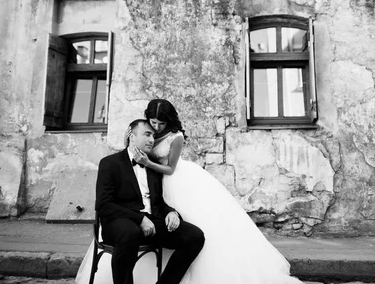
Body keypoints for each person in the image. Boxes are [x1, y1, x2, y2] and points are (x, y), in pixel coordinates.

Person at [129, 99, 304, 284]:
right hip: (152, 181)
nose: (156, 127)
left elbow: (170, 169)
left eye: (160, 123)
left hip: (173, 179)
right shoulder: (147, 131)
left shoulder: (176, 137)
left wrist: (147, 163)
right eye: (153, 122)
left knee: (189, 226)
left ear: (169, 121)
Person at [76, 119, 205, 284]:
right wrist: (140, 219)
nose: (152, 139)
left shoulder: (153, 165)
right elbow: (104, 205)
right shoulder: (110, 163)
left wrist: (172, 213)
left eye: (153, 135)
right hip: (119, 223)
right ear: (131, 135)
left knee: (194, 236)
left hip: (151, 223)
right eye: (147, 134)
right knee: (130, 233)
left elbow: (158, 202)